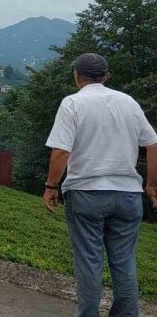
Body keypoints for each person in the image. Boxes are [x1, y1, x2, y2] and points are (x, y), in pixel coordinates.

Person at [43, 53, 157, 317]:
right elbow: (152, 143)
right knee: (124, 262)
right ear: (106, 76)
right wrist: (151, 184)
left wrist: (51, 186)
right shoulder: (128, 102)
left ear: (76, 76)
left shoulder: (72, 103)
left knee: (89, 262)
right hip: (128, 195)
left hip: (86, 194)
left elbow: (61, 151)